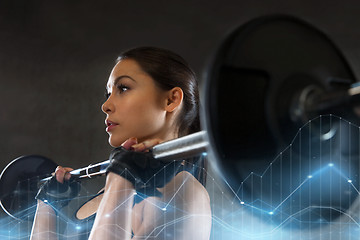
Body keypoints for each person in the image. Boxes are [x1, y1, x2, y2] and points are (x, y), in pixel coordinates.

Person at [30, 46, 212, 240]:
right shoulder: (113, 187)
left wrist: (120, 181)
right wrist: (47, 205)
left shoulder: (184, 193)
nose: (106, 105)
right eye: (108, 94)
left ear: (171, 99)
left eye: (123, 88)